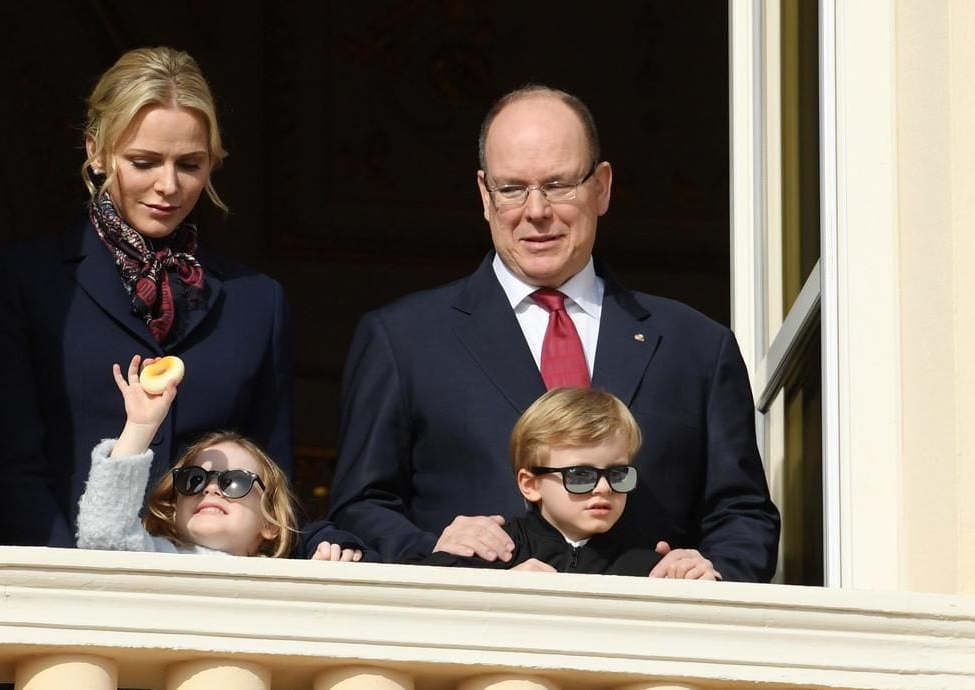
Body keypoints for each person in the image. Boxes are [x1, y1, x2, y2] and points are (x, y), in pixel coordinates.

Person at [327, 85, 780, 582]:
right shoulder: (403, 339)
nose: (536, 210)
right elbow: (360, 508)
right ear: (484, 194)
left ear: (602, 187)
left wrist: (712, 574)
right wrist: (437, 551)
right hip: (471, 642)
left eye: (559, 184)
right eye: (513, 188)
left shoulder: (696, 345)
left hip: (648, 644)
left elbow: (742, 514)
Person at [0, 47, 292, 547]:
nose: (168, 185)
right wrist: (73, 585)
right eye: (143, 162)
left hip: (206, 601)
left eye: (190, 164)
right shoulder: (20, 280)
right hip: (53, 593)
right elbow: (12, 469)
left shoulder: (257, 302)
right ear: (96, 151)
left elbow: (272, 477)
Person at [77, 356, 361, 560]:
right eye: (193, 480)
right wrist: (140, 427)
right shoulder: (159, 557)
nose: (210, 488)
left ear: (270, 523)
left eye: (235, 482)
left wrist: (322, 574)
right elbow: (103, 536)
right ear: (175, 510)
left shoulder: (281, 580)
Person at [417, 388, 716, 579]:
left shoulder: (647, 564)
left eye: (617, 474)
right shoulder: (497, 548)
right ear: (530, 484)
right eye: (580, 475)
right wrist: (499, 591)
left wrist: (699, 578)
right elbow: (414, 597)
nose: (603, 488)